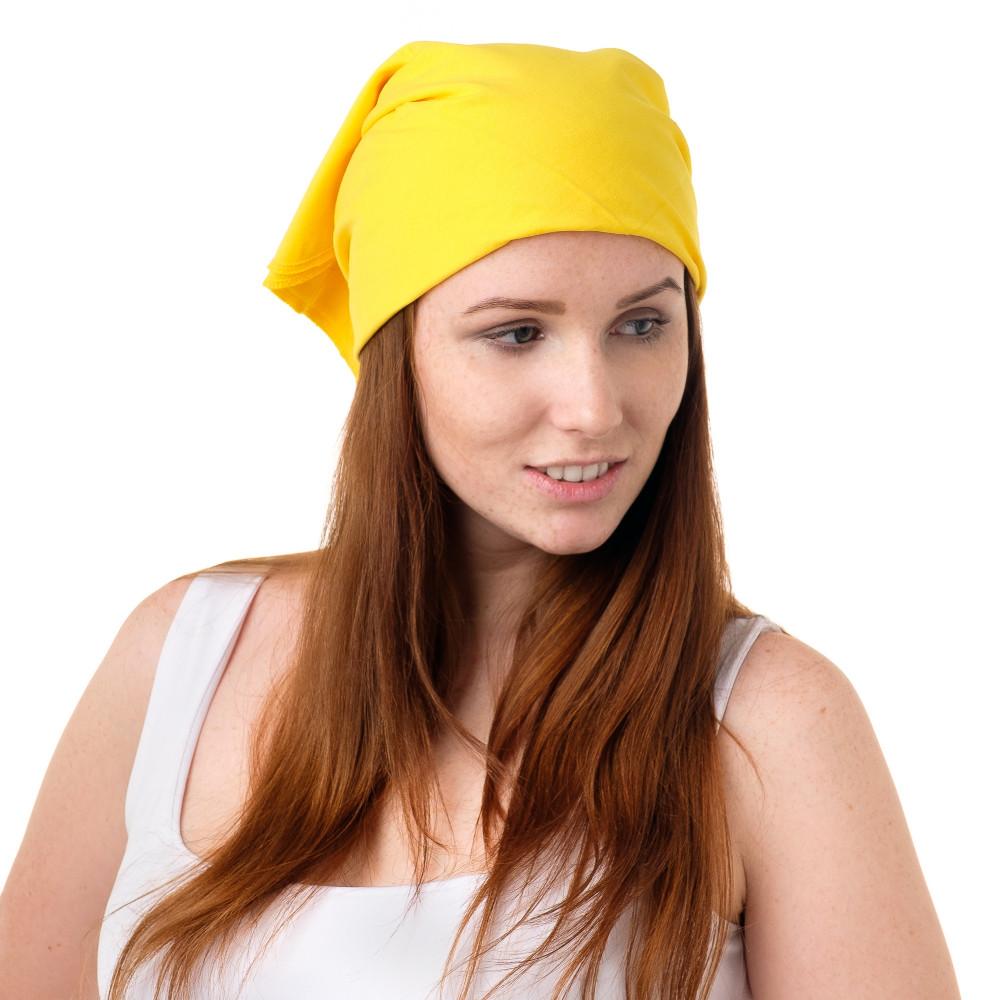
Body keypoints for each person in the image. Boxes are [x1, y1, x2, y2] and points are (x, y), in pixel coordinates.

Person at [0, 41, 959, 1000]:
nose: (594, 407)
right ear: (397, 351)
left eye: (641, 324)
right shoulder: (185, 656)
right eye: (517, 333)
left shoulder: (767, 723)